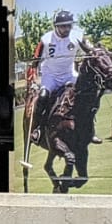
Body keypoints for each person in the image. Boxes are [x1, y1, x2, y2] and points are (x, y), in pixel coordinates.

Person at [29, 10, 83, 143]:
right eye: (63, 26)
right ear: (56, 26)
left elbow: (90, 50)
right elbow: (36, 59)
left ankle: (88, 127)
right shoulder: (46, 39)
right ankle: (37, 128)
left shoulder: (78, 37)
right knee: (42, 97)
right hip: (50, 76)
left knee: (85, 92)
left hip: (69, 74)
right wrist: (32, 75)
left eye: (69, 25)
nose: (67, 29)